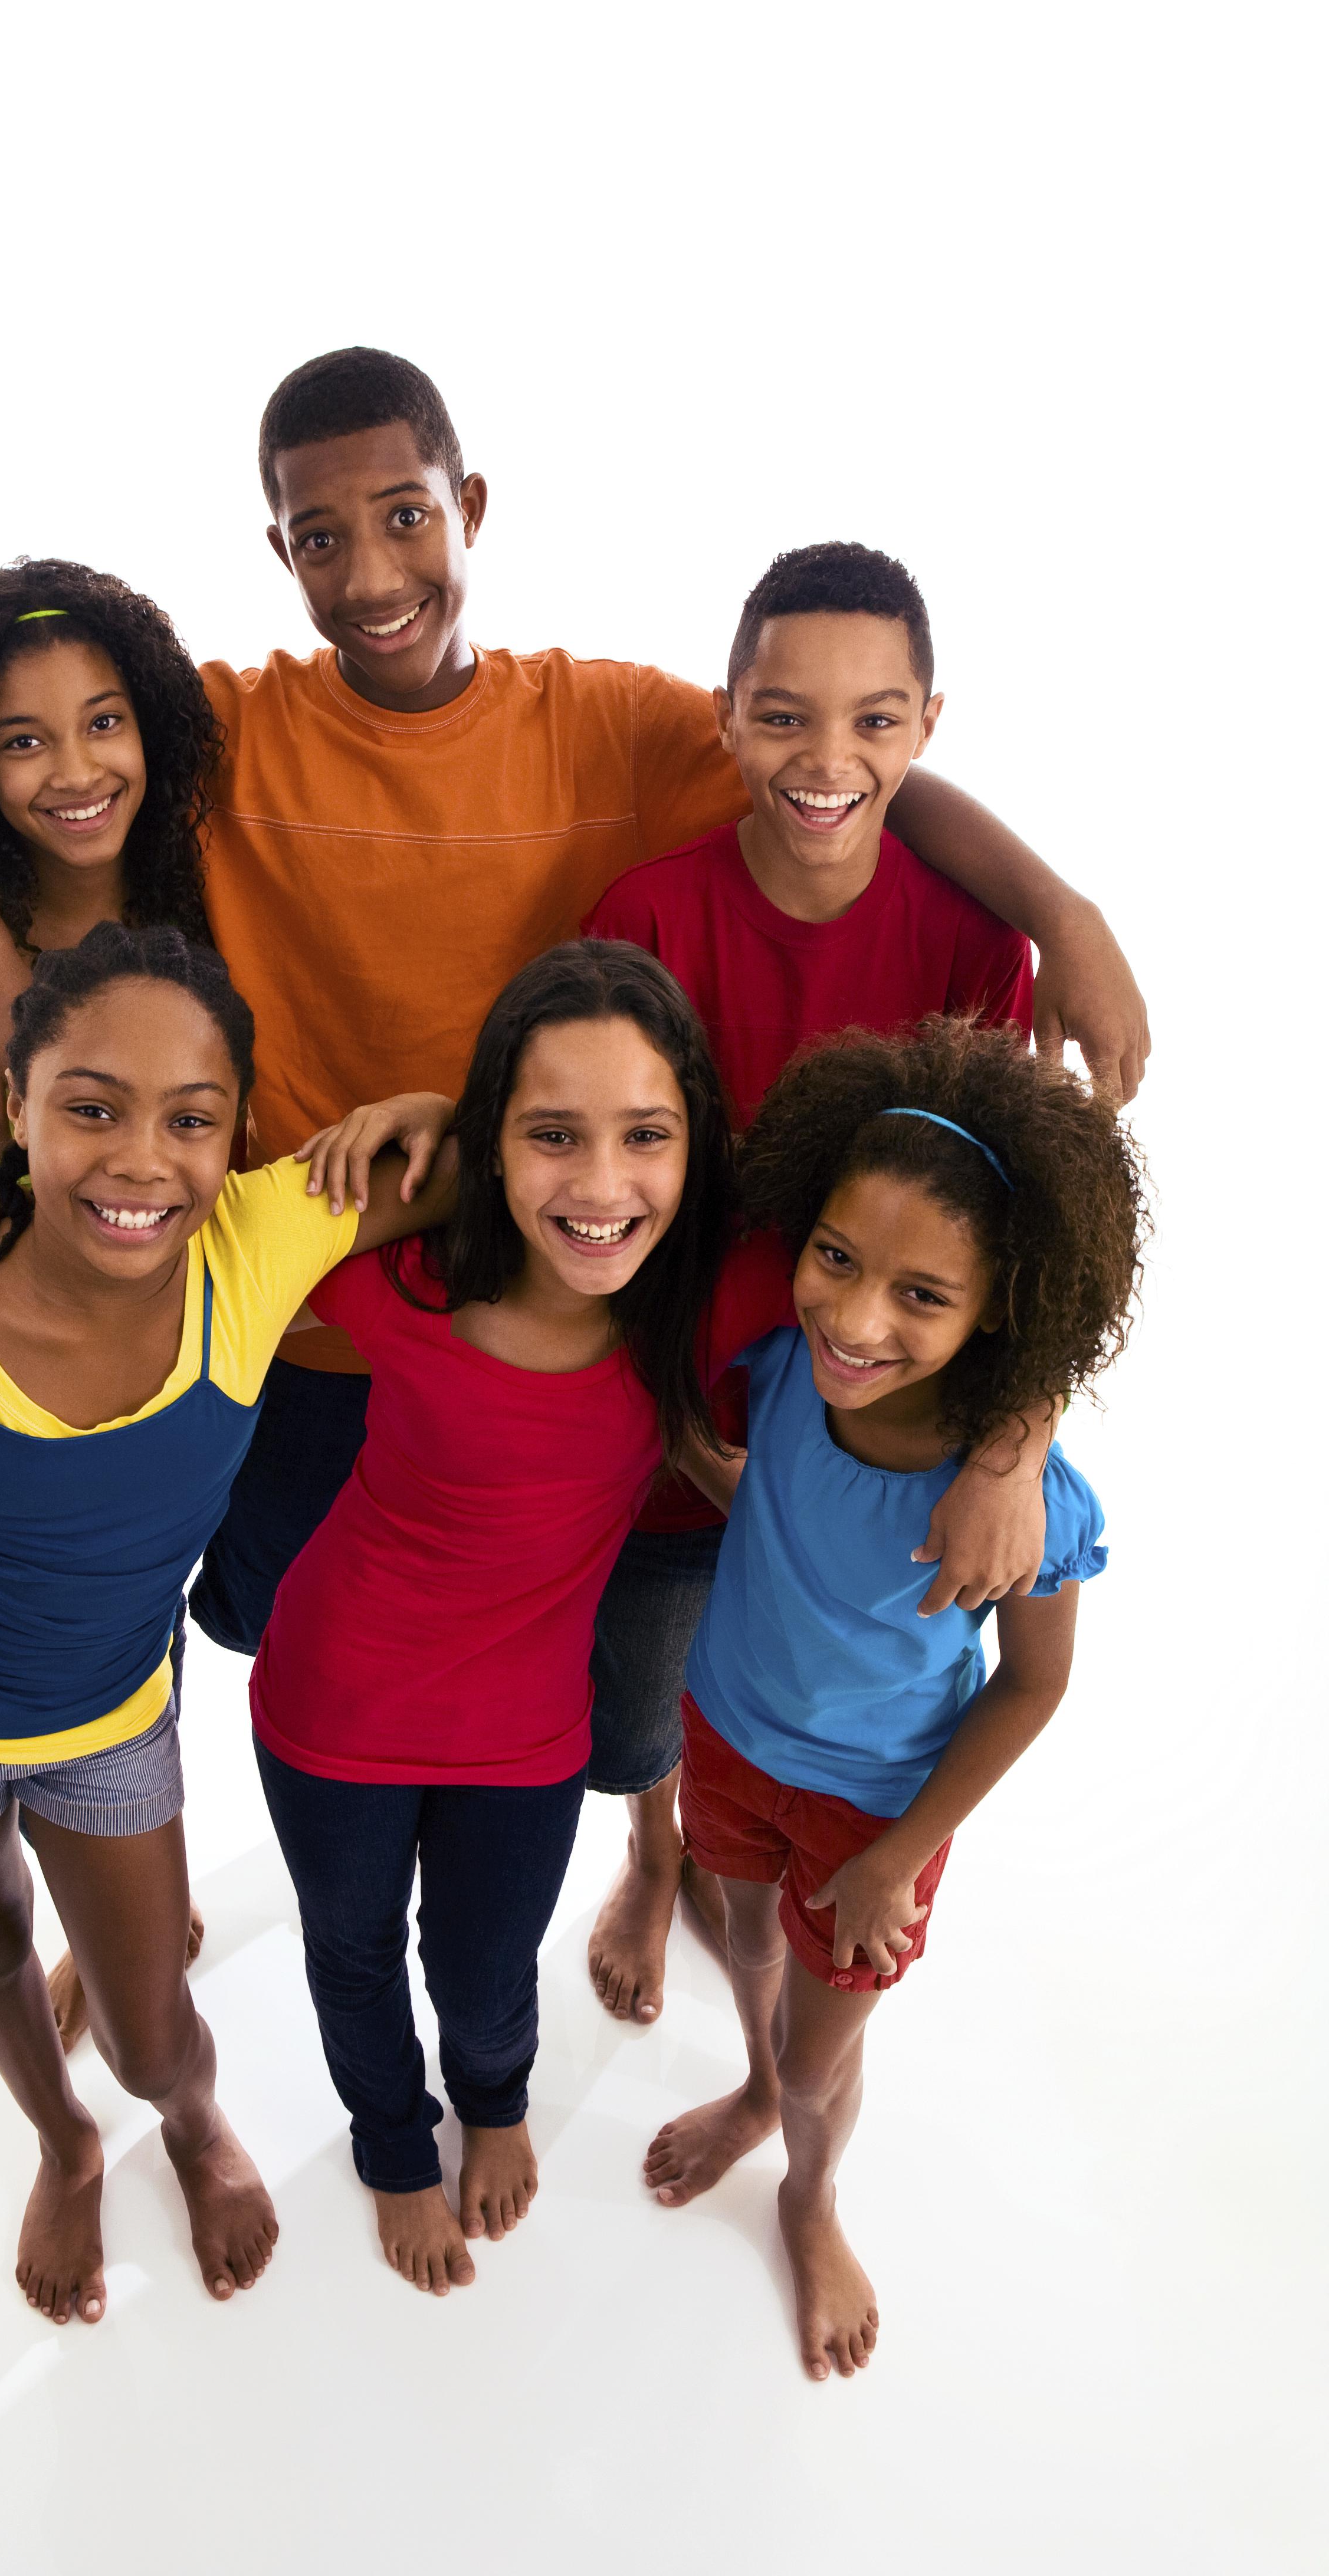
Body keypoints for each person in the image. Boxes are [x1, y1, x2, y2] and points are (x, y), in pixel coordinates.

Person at [0, 349, 1151, 1696]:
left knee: (573, 1656)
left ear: (472, 506)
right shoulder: (225, 729)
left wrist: (1063, 912)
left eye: (408, 516)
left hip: (545, 1288)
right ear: (279, 548)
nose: (377, 577)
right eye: (321, 538)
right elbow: (15, 750)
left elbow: (844, 776)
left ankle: (633, 1834)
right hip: (308, 1296)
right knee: (267, 1612)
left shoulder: (607, 725)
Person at [0, 924, 449, 2325]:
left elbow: (494, 1160)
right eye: (90, 1108)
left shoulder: (258, 1247)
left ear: (239, 1135)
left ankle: (187, 2125)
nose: (141, 1160)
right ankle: (64, 2145)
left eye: (191, 1121)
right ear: (12, 1111)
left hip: (106, 1729)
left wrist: (437, 1108)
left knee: (151, 2032)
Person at [250, 943, 795, 2296]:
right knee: (355, 1952)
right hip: (335, 1706)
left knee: (489, 1968)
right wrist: (415, 1146)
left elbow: (931, 1284)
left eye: (644, 1139)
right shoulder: (408, 1286)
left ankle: (491, 2103)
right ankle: (390, 2145)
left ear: (694, 1149)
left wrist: (1019, 1452)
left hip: (526, 1735)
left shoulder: (693, 1306)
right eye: (552, 1136)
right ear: (491, 1143)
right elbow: (201, 1234)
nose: (602, 1186)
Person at [639, 1016, 1147, 2383]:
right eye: (841, 1262)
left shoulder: (1022, 1494)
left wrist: (896, 1860)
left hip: (875, 1809)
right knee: (744, 1945)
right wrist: (710, 1465)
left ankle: (807, 2187)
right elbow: (801, 1506)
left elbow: (1035, 1686)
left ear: (1003, 1310)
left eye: (923, 1297)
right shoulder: (788, 1368)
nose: (859, 1320)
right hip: (728, 1733)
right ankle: (754, 2088)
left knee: (823, 2058)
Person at [580, 539, 1039, 2025]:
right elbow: (595, 1206)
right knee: (644, 1711)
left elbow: (1014, 1226)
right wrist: (658, 1419)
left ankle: (741, 1903)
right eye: (783, 714)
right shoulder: (649, 915)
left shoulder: (973, 945)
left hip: (862, 1446)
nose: (826, 759)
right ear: (726, 715)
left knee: (814, 1707)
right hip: (680, 1433)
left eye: (873, 721)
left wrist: (1015, 1447)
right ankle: (654, 1862)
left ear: (927, 725)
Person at [0, 560, 221, 1174]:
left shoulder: (216, 897)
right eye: (22, 742)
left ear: (150, 728)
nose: (78, 774)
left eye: (104, 723)